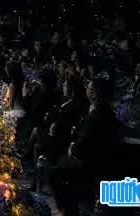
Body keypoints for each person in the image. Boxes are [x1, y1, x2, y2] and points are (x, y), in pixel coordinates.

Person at [48, 77, 123, 216]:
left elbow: (82, 145)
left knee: (54, 172)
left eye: (89, 88)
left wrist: (72, 147)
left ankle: (68, 209)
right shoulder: (106, 112)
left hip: (92, 164)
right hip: (99, 160)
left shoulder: (96, 115)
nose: (86, 90)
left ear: (94, 93)